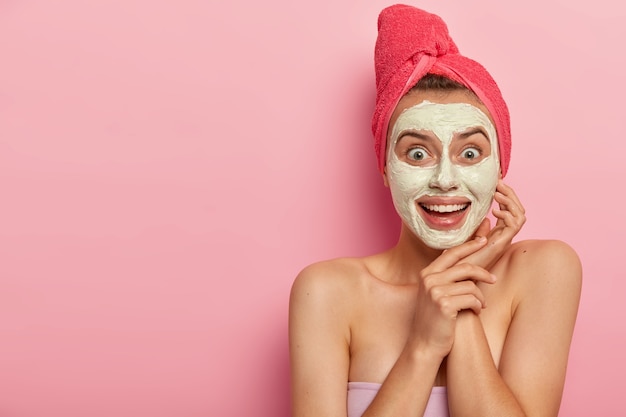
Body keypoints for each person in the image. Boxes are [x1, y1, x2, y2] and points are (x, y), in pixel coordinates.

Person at [289, 5, 582, 417]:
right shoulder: (325, 291)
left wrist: (458, 299)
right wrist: (423, 345)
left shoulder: (545, 269)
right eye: (418, 152)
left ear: (499, 166)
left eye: (469, 152)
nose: (445, 179)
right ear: (385, 168)